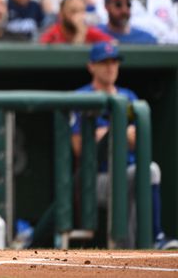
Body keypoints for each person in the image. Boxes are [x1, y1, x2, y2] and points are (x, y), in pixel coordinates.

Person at [72, 42, 178, 249]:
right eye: (104, 63)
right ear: (91, 66)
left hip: (127, 171)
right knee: (127, 181)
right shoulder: (81, 97)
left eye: (114, 62)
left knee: (148, 171)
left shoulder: (128, 96)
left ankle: (154, 239)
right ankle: (128, 251)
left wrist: (110, 134)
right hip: (95, 179)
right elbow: (77, 147)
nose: (110, 67)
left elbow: (139, 141)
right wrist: (115, 134)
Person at [40, 0, 113, 44]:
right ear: (61, 13)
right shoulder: (53, 33)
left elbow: (113, 43)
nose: (78, 16)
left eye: (81, 11)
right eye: (73, 11)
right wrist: (80, 34)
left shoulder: (90, 31)